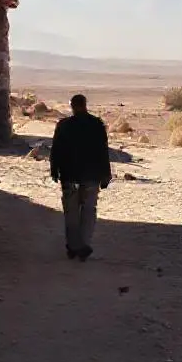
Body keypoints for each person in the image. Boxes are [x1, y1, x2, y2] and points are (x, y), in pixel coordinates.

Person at [49, 94, 112, 261]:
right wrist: (106, 174)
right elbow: (103, 151)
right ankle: (83, 244)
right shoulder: (96, 125)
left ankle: (74, 246)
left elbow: (56, 151)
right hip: (91, 176)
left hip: (69, 176)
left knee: (71, 212)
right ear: (85, 105)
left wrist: (54, 170)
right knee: (89, 210)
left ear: (72, 106)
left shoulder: (64, 125)